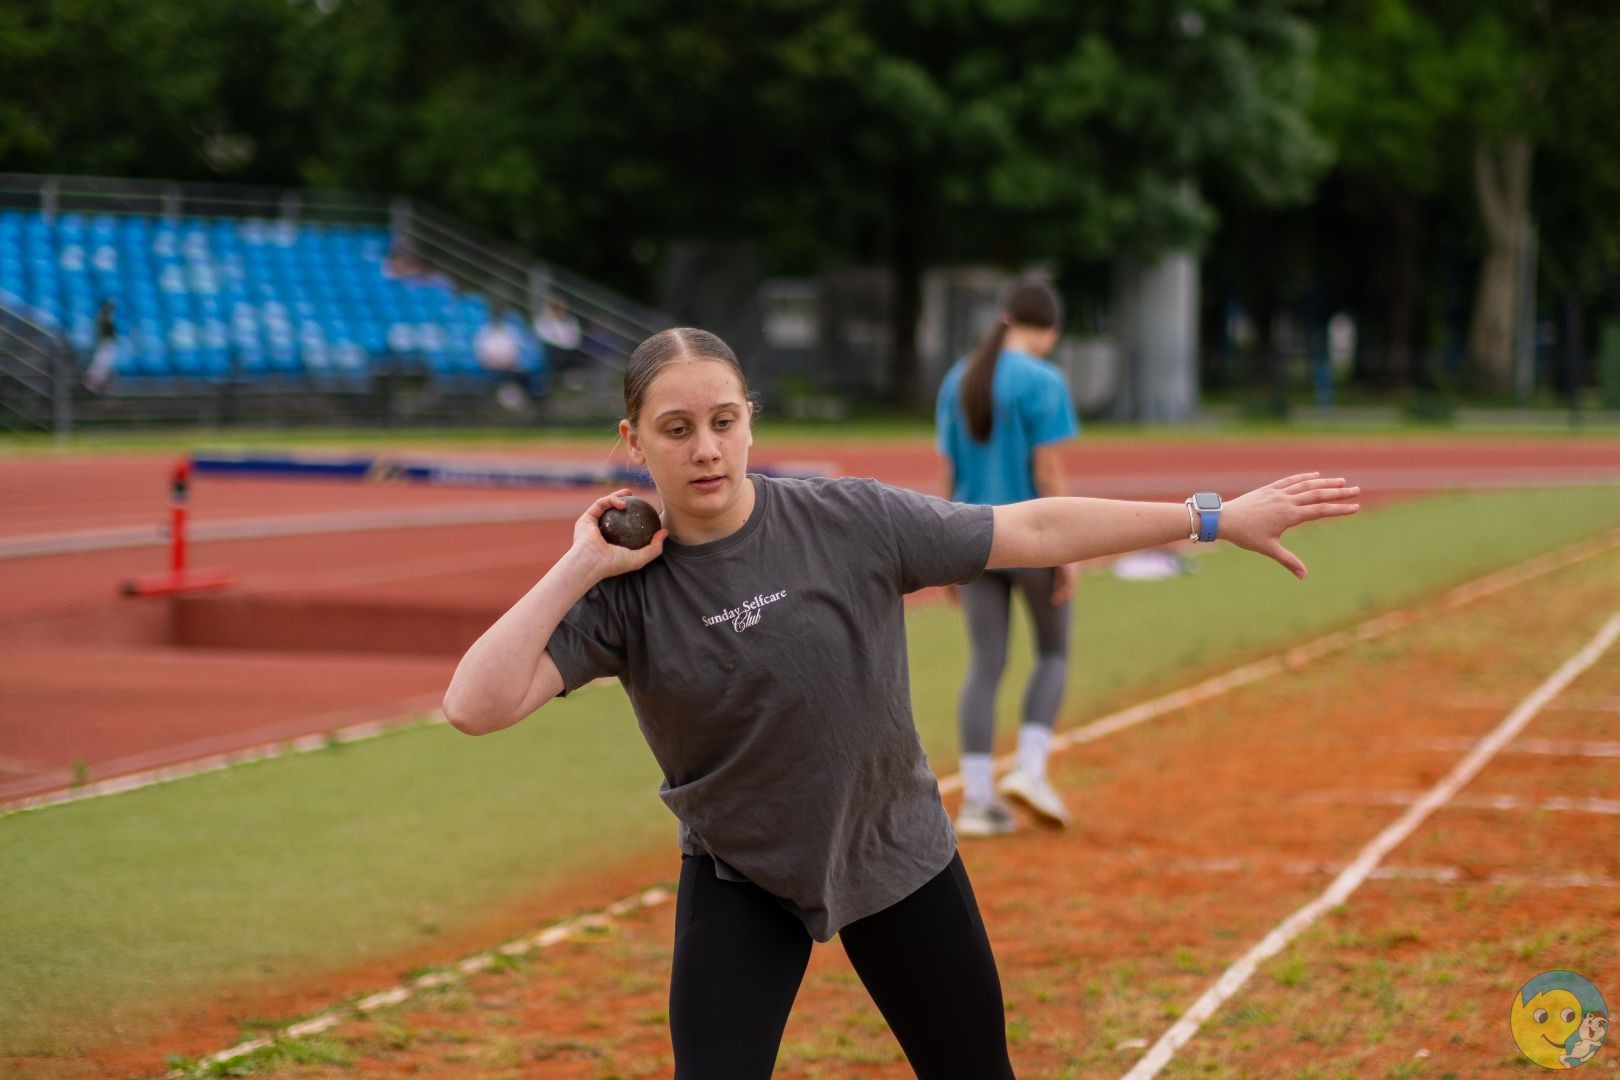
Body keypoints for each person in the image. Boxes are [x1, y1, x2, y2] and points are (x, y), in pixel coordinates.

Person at [442, 327, 1359, 1078]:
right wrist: (583, 563)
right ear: (633, 441)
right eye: (675, 429)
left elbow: (1031, 525)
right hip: (742, 873)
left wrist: (1210, 516)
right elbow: (475, 705)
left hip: (895, 851)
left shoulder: (848, 519)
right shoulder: (626, 592)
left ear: (751, 420)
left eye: (723, 420)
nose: (707, 448)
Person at [935, 280, 1079, 838]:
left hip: (972, 539)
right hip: (1034, 536)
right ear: (1049, 330)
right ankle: (1030, 770)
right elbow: (1047, 470)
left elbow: (948, 473)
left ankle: (977, 800)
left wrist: (942, 552)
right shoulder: (1044, 380)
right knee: (1053, 652)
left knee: (985, 665)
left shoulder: (959, 378)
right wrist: (1070, 549)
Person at [473, 308, 528, 411]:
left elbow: (516, 350)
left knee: (523, 375)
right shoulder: (485, 332)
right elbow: (482, 353)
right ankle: (500, 404)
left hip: (509, 366)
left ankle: (515, 403)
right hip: (490, 367)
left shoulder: (510, 332)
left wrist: (507, 361)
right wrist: (496, 362)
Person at [84, 299, 120, 392]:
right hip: (103, 345)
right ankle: (90, 385)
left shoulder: (109, 320)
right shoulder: (101, 320)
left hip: (109, 346)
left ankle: (96, 386)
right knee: (99, 365)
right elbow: (100, 334)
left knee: (104, 366)